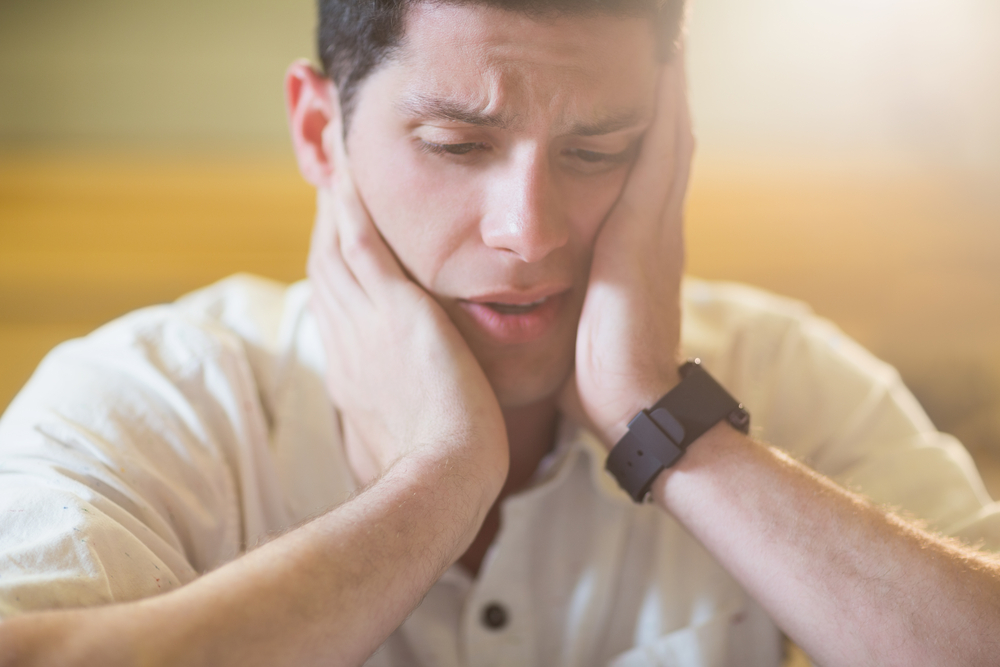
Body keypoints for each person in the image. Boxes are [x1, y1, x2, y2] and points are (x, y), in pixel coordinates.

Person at [1, 1, 999, 665]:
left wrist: (666, 423)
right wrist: (436, 483)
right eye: (455, 144)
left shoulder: (786, 374)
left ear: (670, 141)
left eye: (598, 149)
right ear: (319, 133)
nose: (529, 232)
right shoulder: (152, 396)